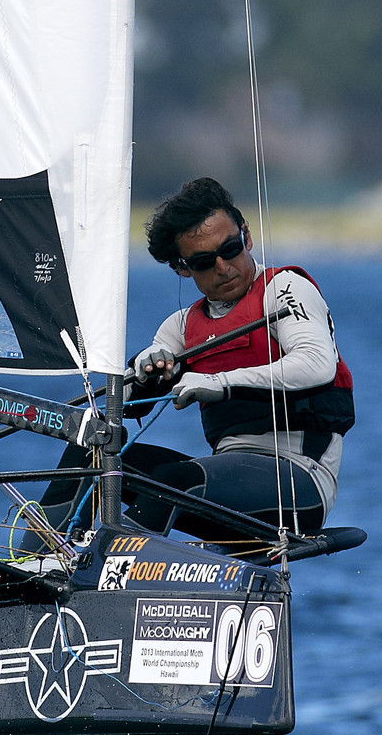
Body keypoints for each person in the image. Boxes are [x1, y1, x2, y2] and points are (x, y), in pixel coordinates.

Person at [124, 176, 354, 536]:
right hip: (228, 487)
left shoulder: (284, 290)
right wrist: (141, 372)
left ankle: (111, 557)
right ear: (182, 268)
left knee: (175, 480)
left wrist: (220, 383)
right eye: (203, 261)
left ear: (246, 237)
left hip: (301, 485)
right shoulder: (179, 327)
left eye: (230, 249)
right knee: (100, 459)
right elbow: (122, 404)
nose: (223, 267)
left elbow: (316, 363)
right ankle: (44, 553)